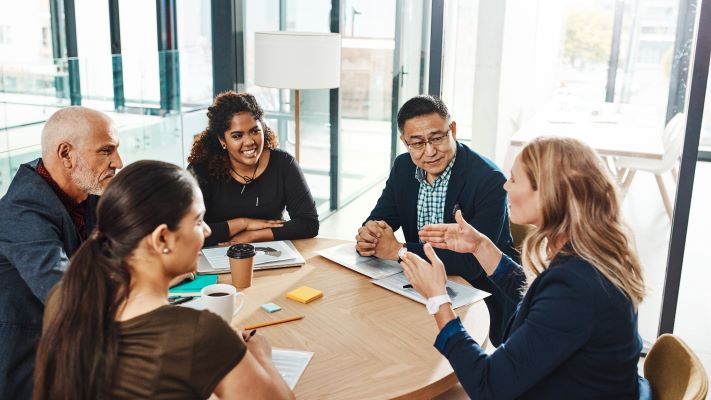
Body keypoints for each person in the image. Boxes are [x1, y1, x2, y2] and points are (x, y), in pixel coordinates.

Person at [403, 137, 649, 399]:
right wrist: (481, 247)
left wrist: (438, 300)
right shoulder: (589, 253)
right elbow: (541, 300)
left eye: (514, 179)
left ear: (547, 194)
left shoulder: (576, 287)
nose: (505, 185)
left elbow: (489, 387)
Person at [34, 160, 294, 400]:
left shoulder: (65, 297)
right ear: (162, 239)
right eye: (198, 221)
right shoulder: (199, 334)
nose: (207, 231)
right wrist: (260, 355)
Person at [356, 94, 516, 345]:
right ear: (404, 141)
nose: (429, 151)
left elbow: (473, 264)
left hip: (479, 295)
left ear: (452, 129)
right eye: (417, 143)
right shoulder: (404, 167)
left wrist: (399, 251)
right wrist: (370, 235)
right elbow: (381, 218)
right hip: (419, 289)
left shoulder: (489, 179)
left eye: (437, 138)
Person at [0, 106, 123, 399]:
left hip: (81, 349)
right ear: (66, 155)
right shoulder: (20, 213)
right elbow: (68, 295)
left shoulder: (86, 192)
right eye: (105, 151)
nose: (118, 161)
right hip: (32, 366)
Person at [188, 91, 319, 247]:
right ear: (222, 140)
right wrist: (243, 223)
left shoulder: (283, 163)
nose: (249, 142)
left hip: (270, 254)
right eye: (237, 136)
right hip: (214, 256)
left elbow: (308, 224)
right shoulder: (200, 171)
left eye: (255, 131)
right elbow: (187, 232)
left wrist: (253, 236)